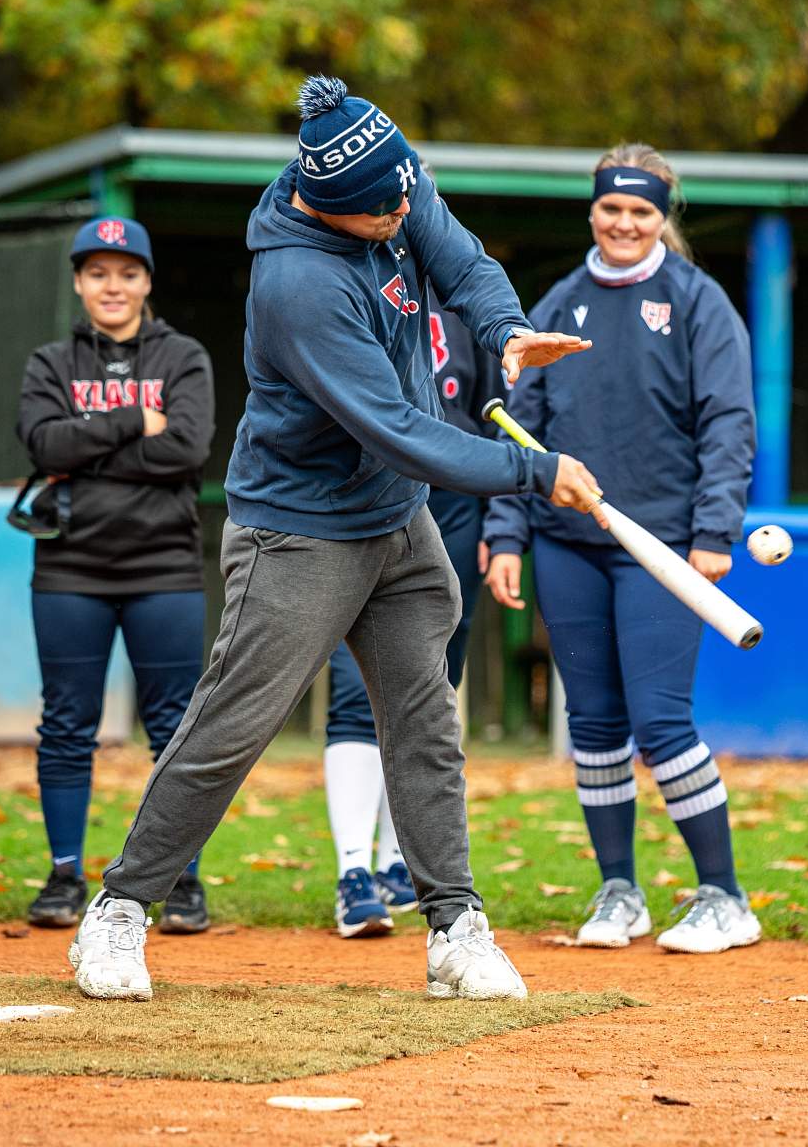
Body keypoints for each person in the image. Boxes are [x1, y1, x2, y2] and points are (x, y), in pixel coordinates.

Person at [69, 75, 602, 1002]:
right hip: (299, 533)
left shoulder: (386, 176)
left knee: (427, 721)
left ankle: (455, 927)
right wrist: (533, 470)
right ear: (329, 204)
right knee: (232, 726)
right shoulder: (298, 284)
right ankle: (118, 911)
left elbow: (462, 257)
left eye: (406, 195)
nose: (404, 214)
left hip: (398, 524)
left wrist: (506, 328)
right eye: (387, 211)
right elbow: (396, 428)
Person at [483, 144, 759, 955]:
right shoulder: (558, 303)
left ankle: (726, 897)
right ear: (592, 209)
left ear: (662, 217)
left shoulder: (698, 301)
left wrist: (714, 531)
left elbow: (728, 422)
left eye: (642, 211)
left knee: (661, 722)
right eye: (612, 208)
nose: (625, 223)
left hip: (662, 544)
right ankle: (619, 892)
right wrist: (506, 534)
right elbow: (519, 430)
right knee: (594, 725)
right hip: (567, 544)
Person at [15, 216, 215, 932]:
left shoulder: (184, 356)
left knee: (176, 729)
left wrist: (87, 448)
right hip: (71, 568)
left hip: (165, 566)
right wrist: (135, 420)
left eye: (127, 273)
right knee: (67, 725)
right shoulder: (51, 363)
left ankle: (181, 880)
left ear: (146, 281)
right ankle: (64, 874)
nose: (113, 286)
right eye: (97, 273)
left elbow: (187, 450)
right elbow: (43, 444)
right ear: (78, 281)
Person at [321, 301, 501, 938]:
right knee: (354, 689)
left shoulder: (465, 305)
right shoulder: (346, 282)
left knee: (429, 690)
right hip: (362, 495)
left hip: (453, 506)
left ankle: (399, 862)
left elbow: (495, 418)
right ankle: (353, 873)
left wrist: (501, 525)